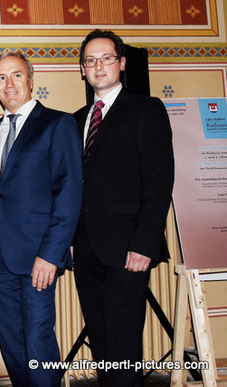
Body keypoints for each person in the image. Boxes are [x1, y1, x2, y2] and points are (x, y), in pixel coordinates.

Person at [73, 29, 174, 386]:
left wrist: (145, 243)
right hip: (86, 251)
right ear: (82, 69)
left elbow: (159, 181)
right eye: (90, 60)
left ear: (122, 63)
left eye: (106, 58)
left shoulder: (146, 109)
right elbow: (76, 185)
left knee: (123, 344)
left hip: (128, 249)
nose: (98, 66)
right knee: (102, 344)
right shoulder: (77, 119)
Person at [0, 51, 82, 387]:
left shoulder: (58, 123)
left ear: (30, 80)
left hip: (38, 256)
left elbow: (68, 194)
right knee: (11, 343)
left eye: (16, 75)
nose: (9, 84)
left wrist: (51, 255)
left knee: (38, 339)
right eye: (1, 78)